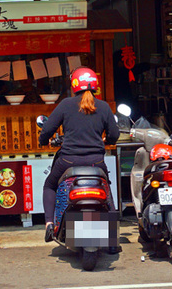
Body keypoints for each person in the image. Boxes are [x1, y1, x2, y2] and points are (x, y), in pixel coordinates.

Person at [38, 67, 120, 249]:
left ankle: (49, 224)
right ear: (95, 85)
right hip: (96, 162)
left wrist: (44, 140)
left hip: (68, 161)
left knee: (50, 185)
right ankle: (113, 241)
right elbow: (114, 134)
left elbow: (47, 129)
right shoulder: (104, 106)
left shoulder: (66, 105)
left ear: (74, 85)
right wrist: (107, 140)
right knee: (106, 190)